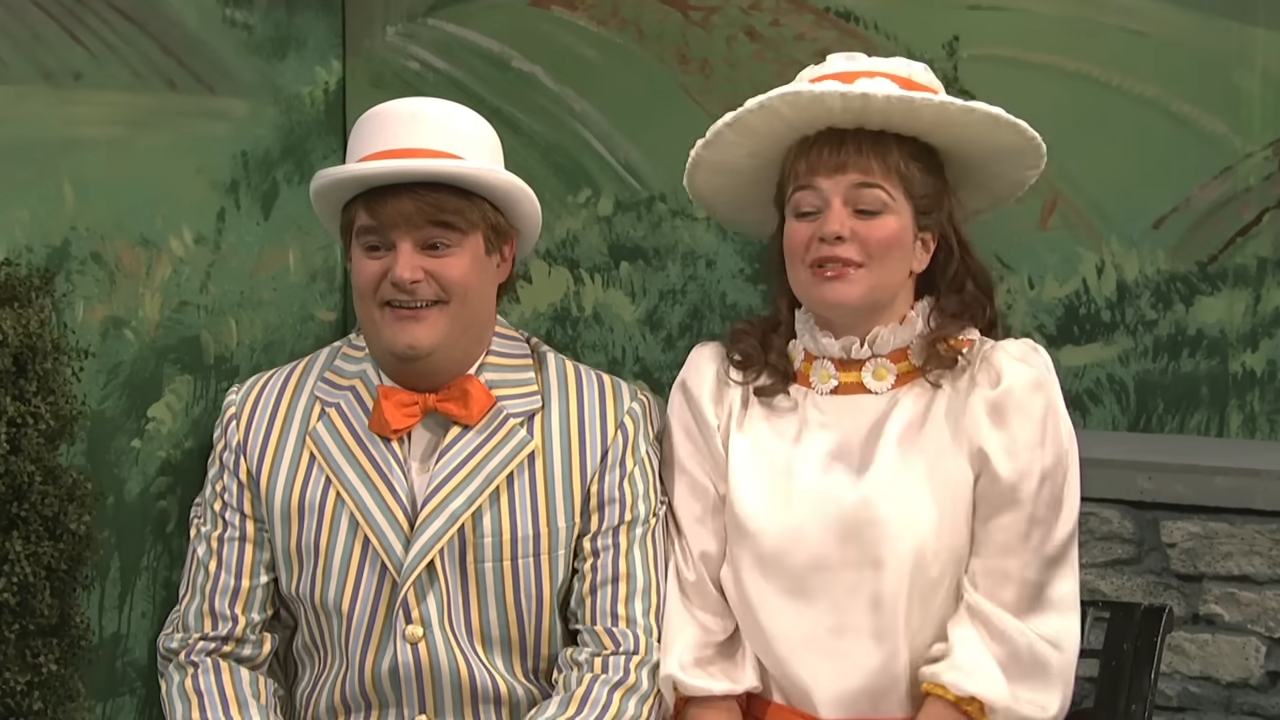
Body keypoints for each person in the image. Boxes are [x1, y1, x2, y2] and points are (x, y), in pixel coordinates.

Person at [157, 97, 666, 720]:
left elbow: (621, 661)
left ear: (500, 254)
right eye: (376, 245)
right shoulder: (260, 419)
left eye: (435, 243)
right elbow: (212, 651)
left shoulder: (605, 422)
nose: (403, 272)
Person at [660, 52, 1081, 720]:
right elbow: (694, 619)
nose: (832, 227)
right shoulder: (718, 391)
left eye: (866, 205)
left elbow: (1011, 620)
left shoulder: (1003, 391)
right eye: (806, 209)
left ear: (924, 244)